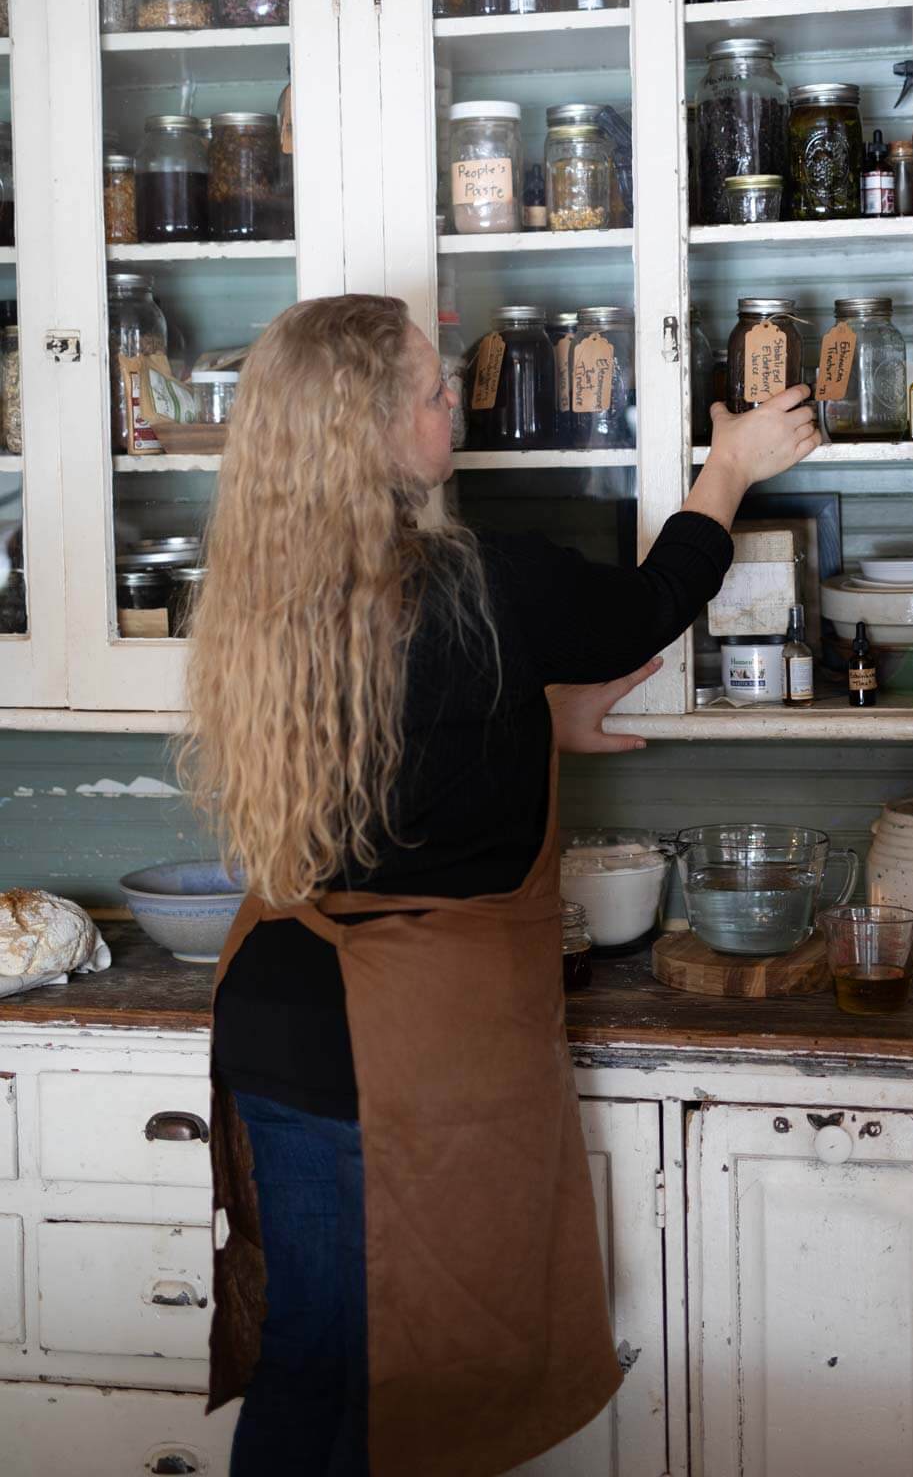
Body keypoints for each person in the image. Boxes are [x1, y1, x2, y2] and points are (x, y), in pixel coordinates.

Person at [182, 293, 818, 1477]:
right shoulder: (478, 583)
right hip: (395, 1046)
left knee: (317, 1367)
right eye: (432, 392)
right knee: (375, 1380)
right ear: (369, 433)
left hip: (275, 1015)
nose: (452, 407)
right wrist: (730, 468)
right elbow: (646, 606)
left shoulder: (263, 591)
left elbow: (401, 734)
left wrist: (533, 717)